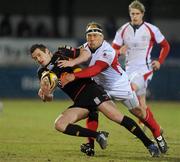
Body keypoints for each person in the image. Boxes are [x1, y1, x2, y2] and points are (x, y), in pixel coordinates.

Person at [30, 44, 160, 157]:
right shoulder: (42, 72)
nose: (38, 59)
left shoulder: (61, 53)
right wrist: (46, 94)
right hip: (79, 101)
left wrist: (73, 64)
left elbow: (84, 52)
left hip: (91, 90)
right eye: (35, 58)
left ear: (47, 51)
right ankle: (98, 135)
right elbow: (49, 98)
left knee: (117, 117)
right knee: (59, 124)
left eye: (39, 55)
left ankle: (149, 144)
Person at [58, 21, 167, 156]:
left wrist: (73, 76)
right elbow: (74, 52)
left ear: (102, 37)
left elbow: (94, 70)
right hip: (100, 87)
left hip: (120, 86)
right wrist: (60, 54)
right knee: (93, 110)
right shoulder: (85, 47)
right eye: (89, 35)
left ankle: (157, 135)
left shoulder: (107, 51)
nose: (92, 38)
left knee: (139, 112)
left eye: (95, 35)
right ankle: (90, 146)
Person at [112, 0, 170, 154]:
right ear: (130, 14)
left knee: (130, 91)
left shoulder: (151, 29)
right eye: (132, 13)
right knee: (140, 107)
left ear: (142, 14)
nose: (135, 16)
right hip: (129, 70)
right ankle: (157, 130)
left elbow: (166, 45)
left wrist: (159, 61)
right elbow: (112, 51)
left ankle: (152, 130)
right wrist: (119, 52)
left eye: (137, 14)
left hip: (145, 70)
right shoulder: (123, 30)